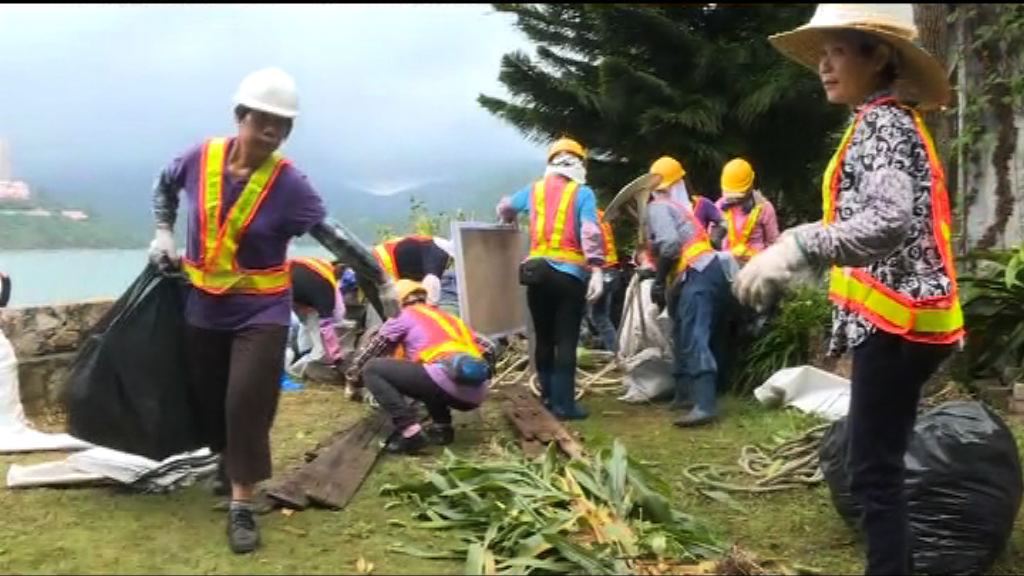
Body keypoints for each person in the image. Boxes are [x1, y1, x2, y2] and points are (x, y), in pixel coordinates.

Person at [736, 5, 964, 574]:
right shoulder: (885, 120)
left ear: (879, 55)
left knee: (874, 474)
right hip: (906, 323)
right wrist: (814, 265)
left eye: (838, 50)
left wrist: (798, 244)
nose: (824, 65)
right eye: (823, 54)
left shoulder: (883, 124)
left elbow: (888, 221)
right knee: (879, 466)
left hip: (897, 325)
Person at [147, 67, 398, 555]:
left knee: (246, 400)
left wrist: (383, 280)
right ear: (240, 116)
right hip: (202, 306)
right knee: (211, 397)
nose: (273, 133)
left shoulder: (290, 185)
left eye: (282, 125)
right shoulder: (200, 157)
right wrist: (162, 232)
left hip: (260, 312)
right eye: (264, 121)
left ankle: (243, 503)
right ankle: (227, 460)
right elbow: (163, 185)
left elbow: (334, 236)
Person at [496, 137, 605, 420]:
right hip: (569, 276)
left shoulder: (534, 190)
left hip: (536, 273)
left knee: (543, 338)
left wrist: (507, 217)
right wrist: (596, 268)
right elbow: (591, 231)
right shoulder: (582, 193)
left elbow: (507, 208)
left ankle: (546, 396)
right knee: (566, 340)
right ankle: (565, 405)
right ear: (579, 162)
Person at [344, 280, 495, 454]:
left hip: (444, 382)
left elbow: (373, 350)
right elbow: (489, 346)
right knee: (427, 372)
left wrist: (353, 378)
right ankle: (442, 428)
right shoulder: (449, 318)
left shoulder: (402, 316)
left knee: (373, 368)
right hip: (476, 393)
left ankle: (410, 432)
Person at [645, 155, 730, 427]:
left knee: (694, 334)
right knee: (681, 331)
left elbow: (669, 246)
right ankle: (684, 395)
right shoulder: (681, 208)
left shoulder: (658, 206)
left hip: (697, 273)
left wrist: (658, 280)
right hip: (705, 271)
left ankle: (704, 405)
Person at [286, 256, 345, 378]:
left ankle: (303, 353)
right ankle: (296, 369)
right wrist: (337, 357)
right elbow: (327, 326)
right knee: (320, 351)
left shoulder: (319, 266)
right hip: (288, 291)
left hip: (283, 281)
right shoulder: (326, 292)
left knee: (307, 325)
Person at [715, 158, 780, 265]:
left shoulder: (765, 208)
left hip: (756, 266)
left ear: (750, 187)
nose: (734, 200)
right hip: (726, 264)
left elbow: (773, 243)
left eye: (738, 196)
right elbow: (711, 239)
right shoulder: (720, 206)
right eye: (730, 195)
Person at [373, 235, 455, 305]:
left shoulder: (435, 244)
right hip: (383, 261)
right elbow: (431, 283)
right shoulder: (440, 253)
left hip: (386, 260)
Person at [587, 209, 621, 353]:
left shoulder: (587, 215)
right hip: (610, 271)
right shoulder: (601, 215)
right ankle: (614, 352)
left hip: (600, 270)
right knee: (600, 315)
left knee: (597, 315)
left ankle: (614, 352)